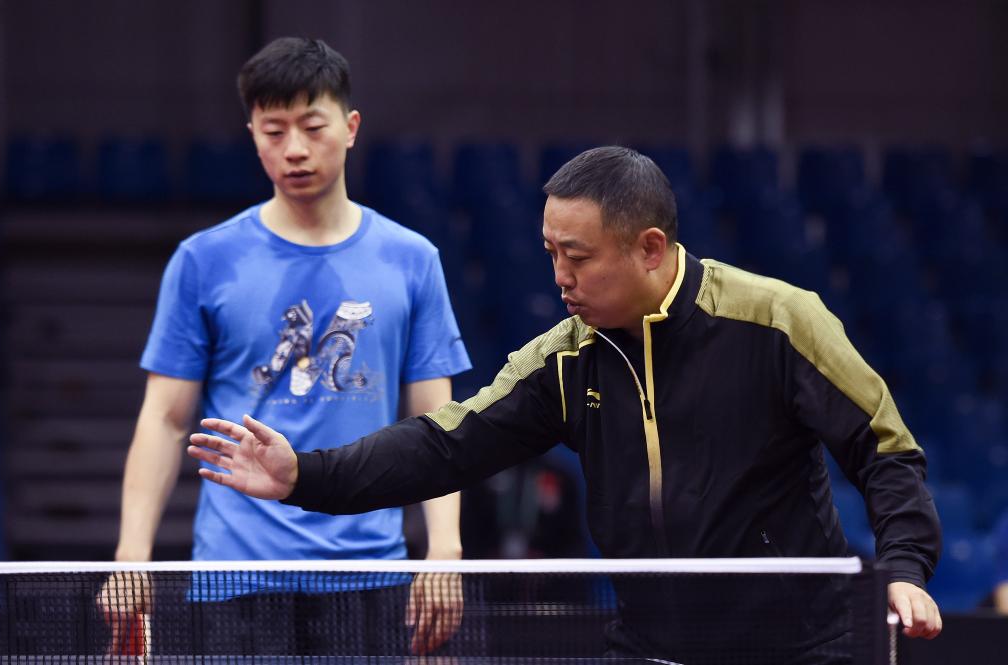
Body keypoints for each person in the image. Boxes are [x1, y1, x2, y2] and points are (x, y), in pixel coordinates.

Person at [188, 146, 943, 662]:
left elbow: (883, 448)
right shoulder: (565, 357)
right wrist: (304, 474)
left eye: (576, 256)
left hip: (795, 648)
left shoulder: (778, 321)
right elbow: (447, 443)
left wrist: (905, 567)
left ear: (650, 248)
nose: (558, 275)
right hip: (648, 645)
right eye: (551, 252)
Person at [99, 36, 471, 657]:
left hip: (367, 570)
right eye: (274, 131)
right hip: (235, 574)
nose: (294, 148)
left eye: (312, 127)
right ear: (253, 134)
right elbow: (164, 419)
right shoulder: (203, 260)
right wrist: (130, 557)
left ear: (350, 128)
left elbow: (438, 421)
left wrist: (445, 552)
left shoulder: (412, 260)